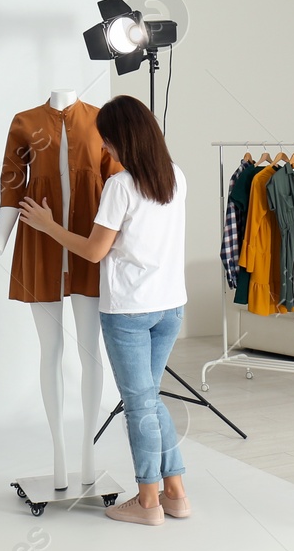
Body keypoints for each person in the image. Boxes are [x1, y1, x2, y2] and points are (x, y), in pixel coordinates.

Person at [18, 95, 189, 526]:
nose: (105, 148)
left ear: (123, 138)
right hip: (171, 307)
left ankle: (148, 501)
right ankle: (176, 493)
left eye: (108, 140)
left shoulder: (120, 187)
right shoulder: (177, 178)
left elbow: (94, 252)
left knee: (138, 405)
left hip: (130, 311)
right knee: (150, 398)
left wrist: (48, 226)